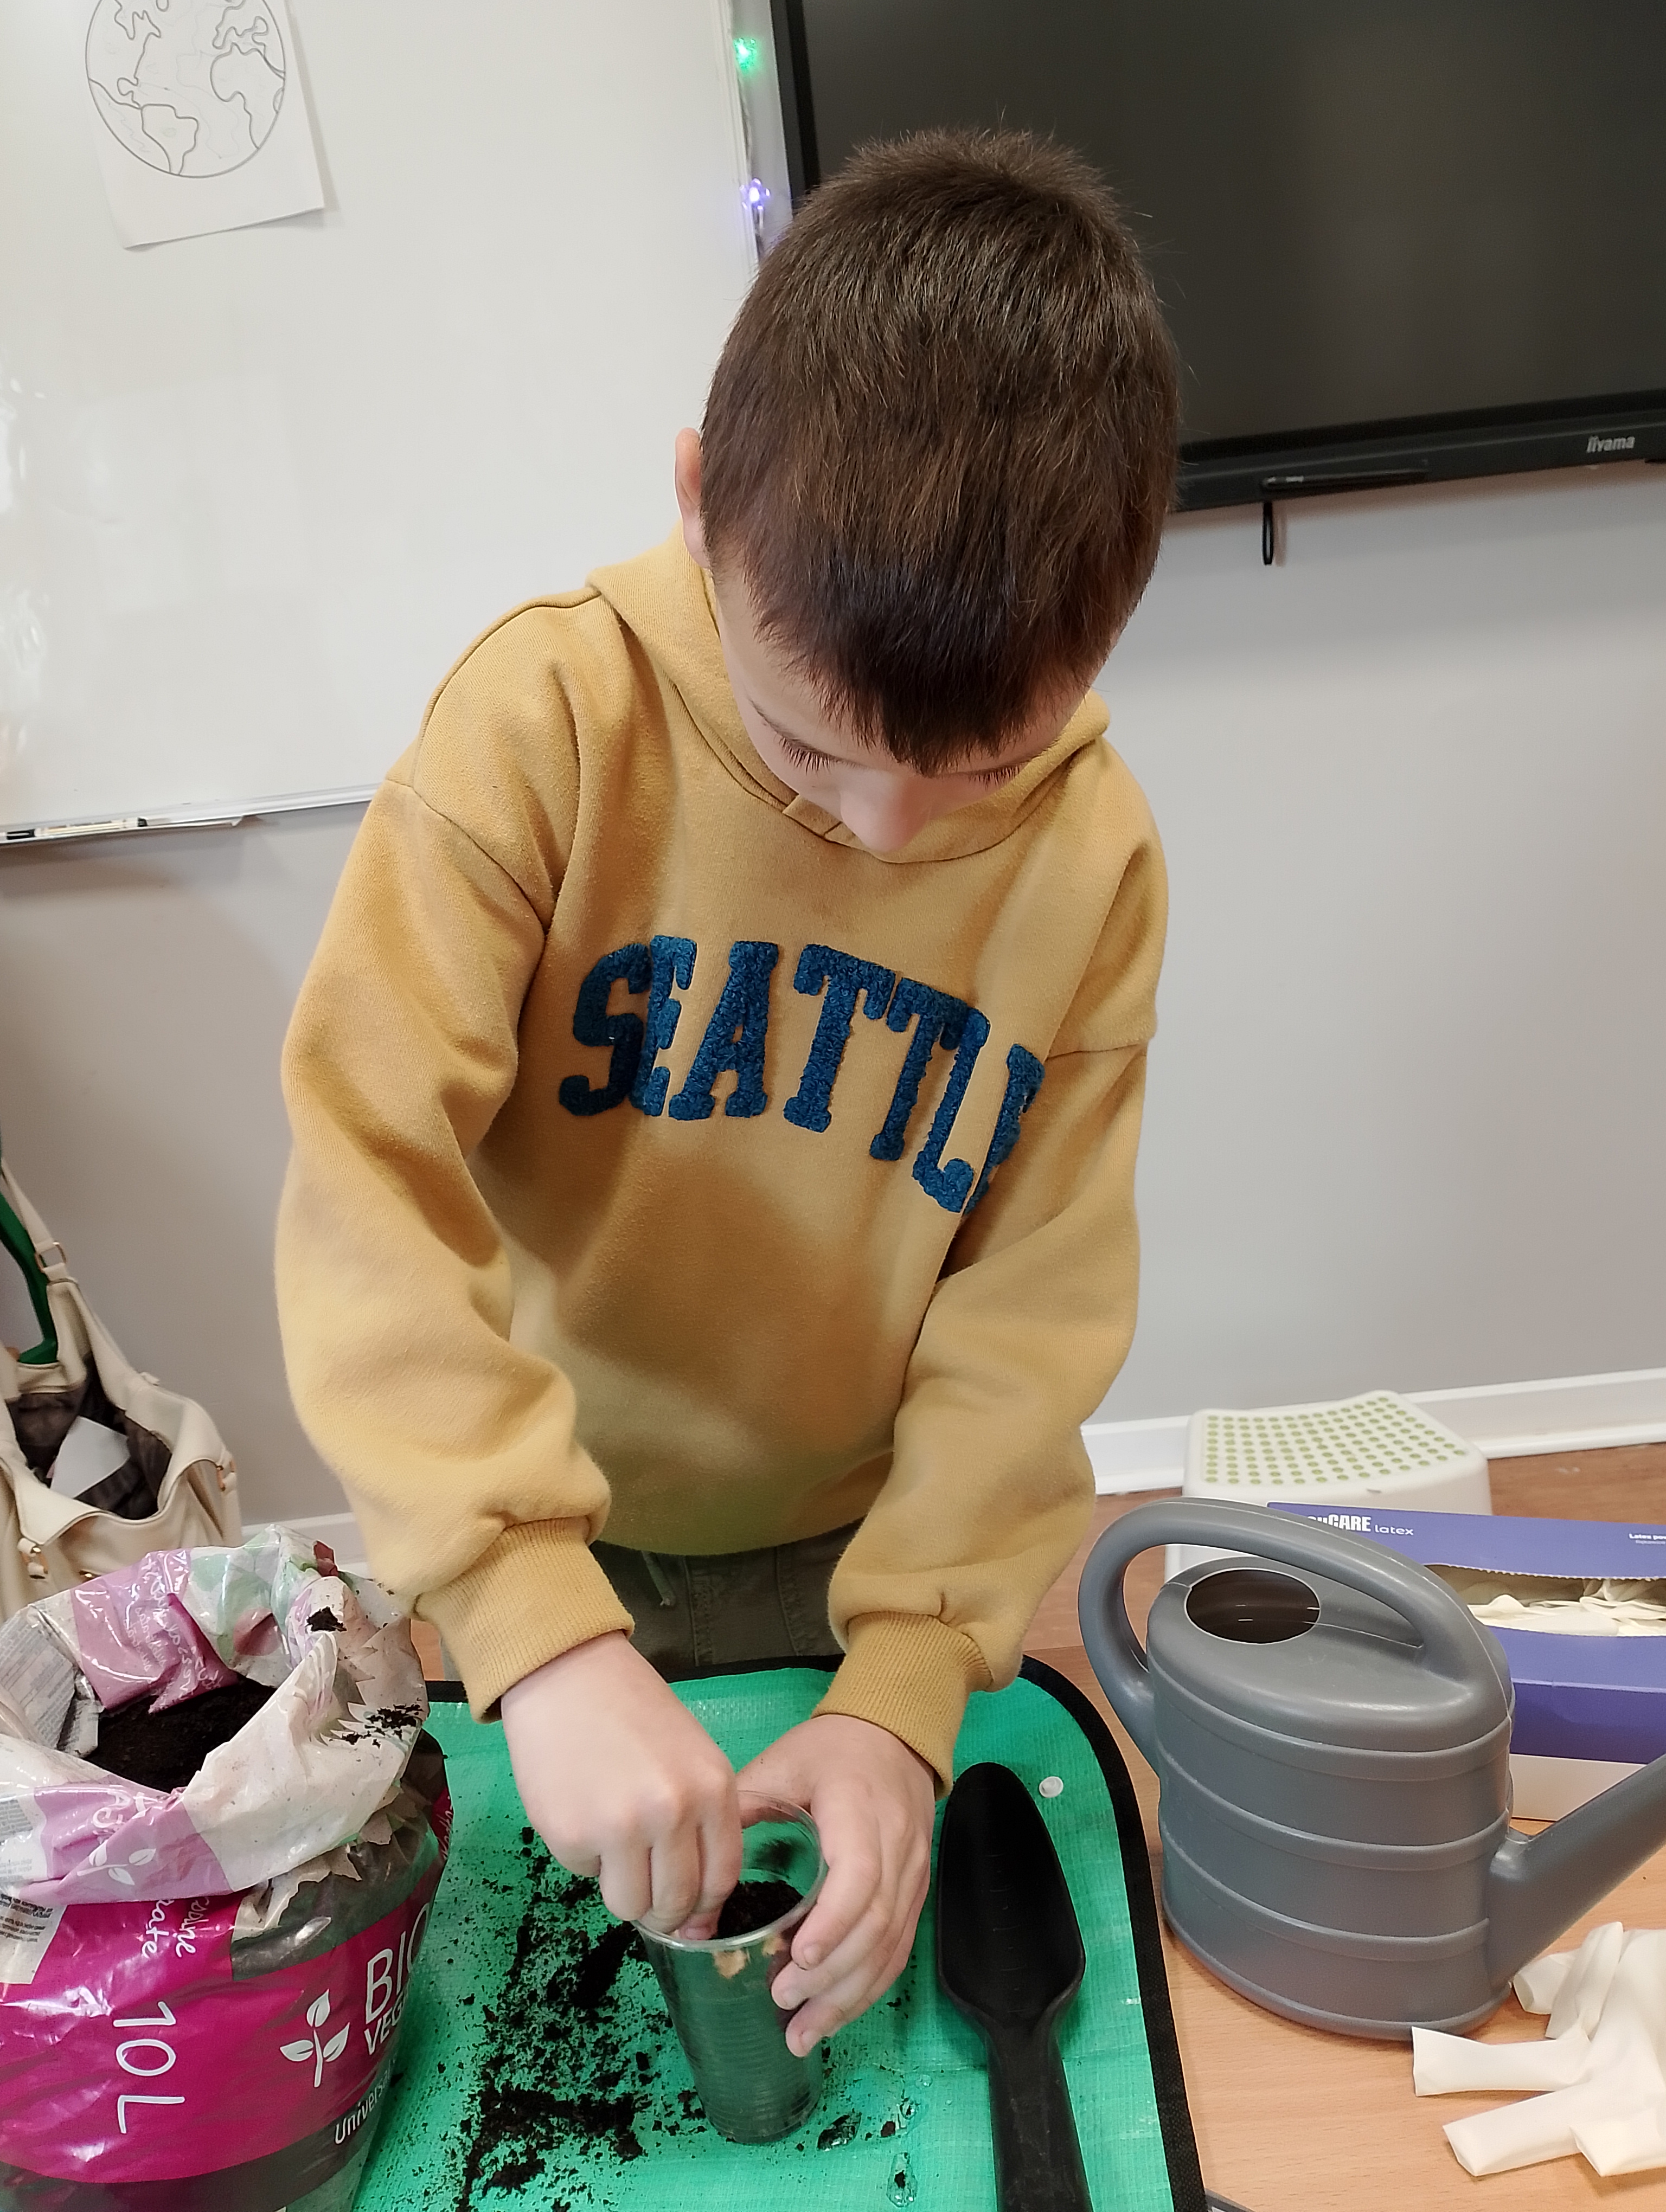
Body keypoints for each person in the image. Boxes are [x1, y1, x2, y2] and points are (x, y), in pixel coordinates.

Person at [275, 128, 1178, 2059]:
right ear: (697, 503)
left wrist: (906, 1694)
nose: (883, 834)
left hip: (862, 1557)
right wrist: (527, 1618)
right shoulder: (540, 729)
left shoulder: (1097, 859)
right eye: (801, 746)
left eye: (979, 774)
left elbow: (1031, 1311)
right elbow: (370, 1175)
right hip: (546, 1521)